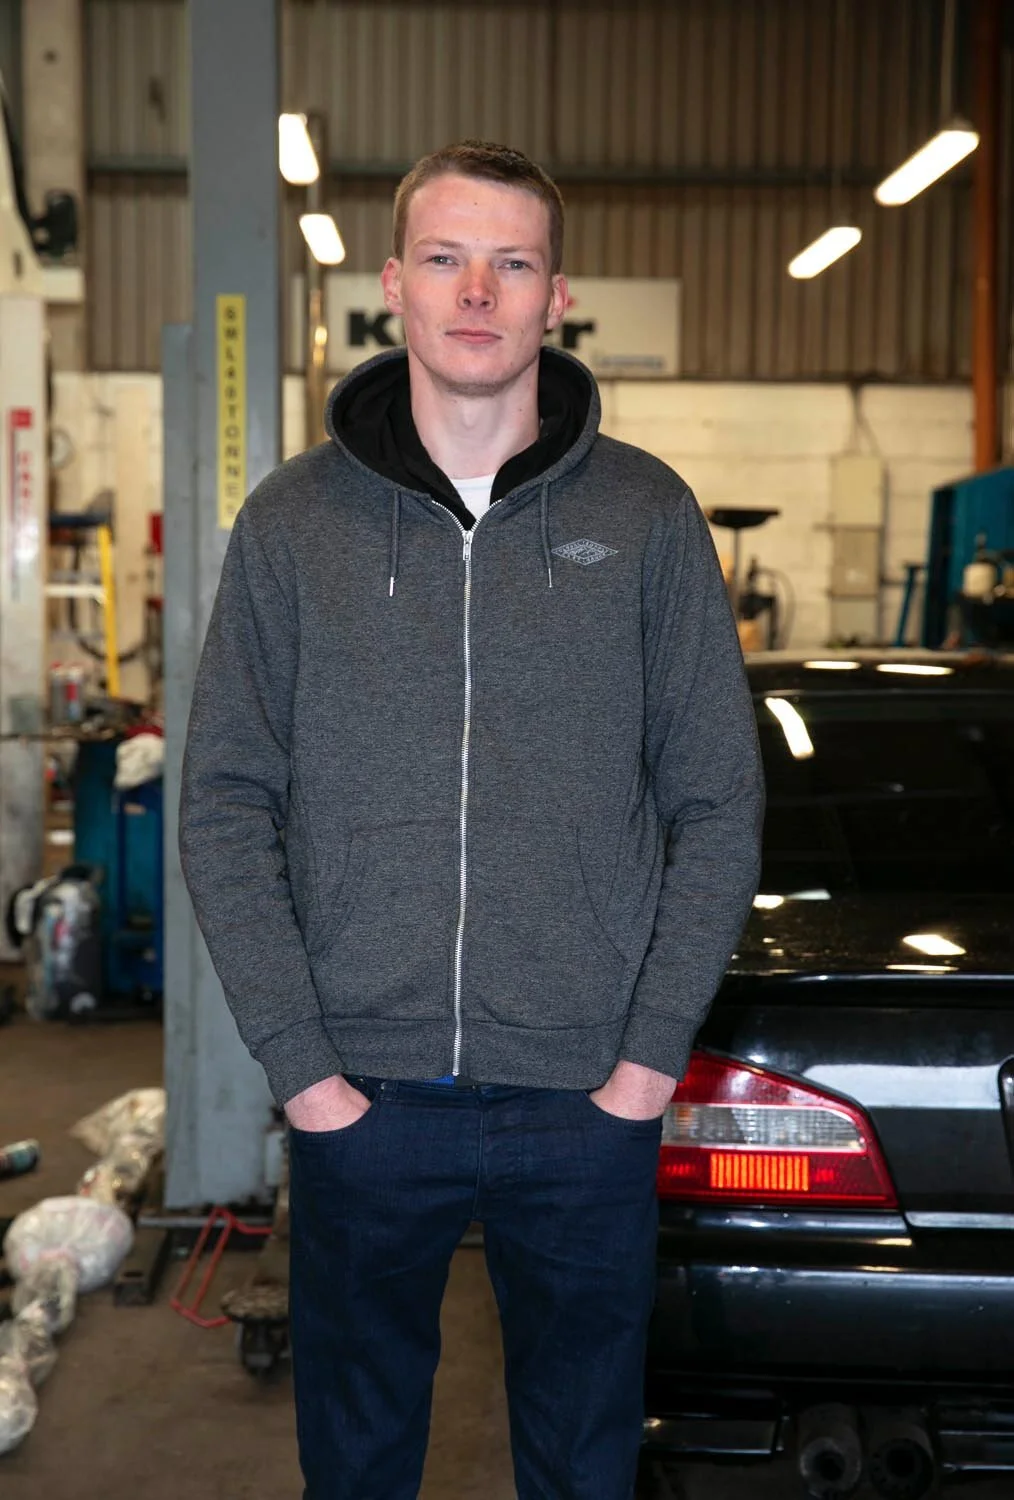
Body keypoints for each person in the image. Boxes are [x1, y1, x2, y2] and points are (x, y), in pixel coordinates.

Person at [179, 139, 764, 1500]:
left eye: (512, 263)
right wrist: (304, 1075)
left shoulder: (647, 516)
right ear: (394, 284)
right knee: (358, 1464)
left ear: (558, 296)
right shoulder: (292, 525)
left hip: (585, 1100)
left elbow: (718, 800)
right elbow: (222, 805)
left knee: (582, 1467)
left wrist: (642, 1068)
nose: (478, 292)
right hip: (360, 1096)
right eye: (446, 258)